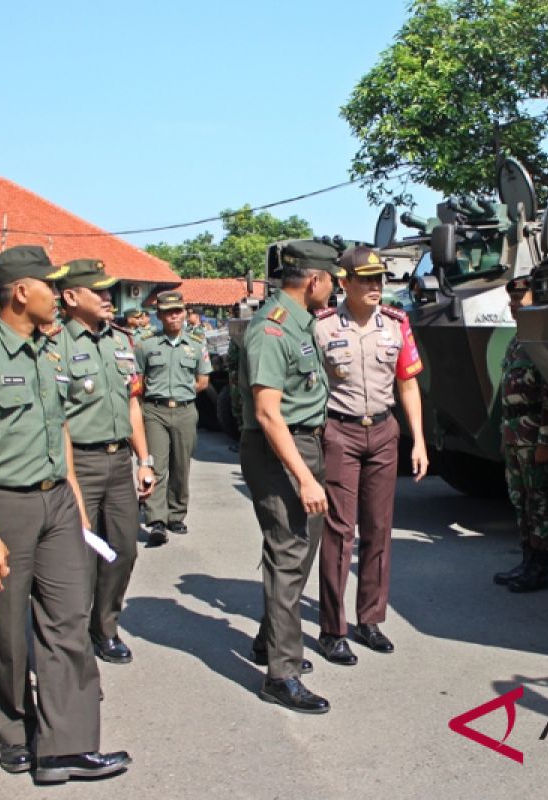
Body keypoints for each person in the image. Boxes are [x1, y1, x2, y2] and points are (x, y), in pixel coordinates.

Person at [0, 245, 131, 782]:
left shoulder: (46, 354)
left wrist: (74, 499)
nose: (58, 294)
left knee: (68, 619)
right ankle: (13, 730)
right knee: (4, 629)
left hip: (55, 503)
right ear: (22, 291)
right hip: (2, 505)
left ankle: (66, 745)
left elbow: (60, 432)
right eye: (51, 285)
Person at [312, 245, 427, 665]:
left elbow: (408, 385)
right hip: (339, 430)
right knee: (340, 531)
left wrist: (418, 439)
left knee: (378, 529)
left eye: (379, 279)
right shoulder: (322, 328)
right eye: (366, 279)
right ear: (344, 284)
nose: (376, 286)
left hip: (383, 430)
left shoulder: (397, 324)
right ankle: (332, 628)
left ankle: (370, 619)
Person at [240, 240, 342, 714]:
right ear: (314, 280)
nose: (335, 289)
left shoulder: (301, 324)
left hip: (303, 443)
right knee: (288, 551)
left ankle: (269, 639)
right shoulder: (273, 329)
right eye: (332, 280)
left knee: (304, 545)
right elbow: (267, 413)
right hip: (279, 449)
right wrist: (303, 476)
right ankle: (281, 673)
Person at [55, 259, 155, 664]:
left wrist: (143, 460)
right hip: (78, 460)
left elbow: (133, 404)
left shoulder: (120, 341)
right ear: (71, 296)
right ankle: (74, 633)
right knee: (80, 553)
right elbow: (56, 417)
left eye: (108, 290)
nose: (107, 297)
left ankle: (105, 625)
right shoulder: (56, 345)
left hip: (118, 464)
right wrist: (67, 473)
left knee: (123, 550)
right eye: (97, 291)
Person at [492, 276, 548, 593]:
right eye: (513, 301)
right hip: (514, 434)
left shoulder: (540, 341)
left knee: (539, 502)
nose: (514, 305)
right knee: (520, 500)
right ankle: (526, 560)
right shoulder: (517, 341)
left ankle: (541, 567)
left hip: (534, 435)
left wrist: (546, 441)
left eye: (521, 299)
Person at [135, 289, 211, 546]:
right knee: (156, 465)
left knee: (181, 465)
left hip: (185, 410)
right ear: (159, 315)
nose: (173, 316)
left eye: (177, 311)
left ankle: (176, 514)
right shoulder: (146, 344)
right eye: (167, 312)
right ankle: (156, 519)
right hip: (155, 410)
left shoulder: (196, 345)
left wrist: (183, 393)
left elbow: (203, 381)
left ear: (184, 312)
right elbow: (139, 382)